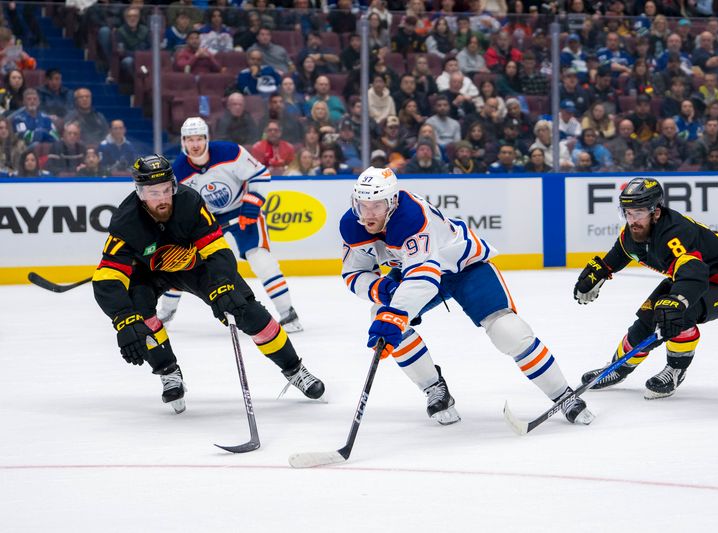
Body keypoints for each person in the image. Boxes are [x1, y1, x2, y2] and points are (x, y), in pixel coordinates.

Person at [340, 167, 594, 425]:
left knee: (509, 331)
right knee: (379, 314)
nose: (368, 214)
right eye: (363, 205)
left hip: (464, 267)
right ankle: (434, 388)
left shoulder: (411, 216)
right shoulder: (352, 225)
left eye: (377, 206)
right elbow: (354, 273)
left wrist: (396, 313)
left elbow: (424, 278)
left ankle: (564, 395)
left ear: (392, 203)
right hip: (417, 272)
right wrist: (383, 290)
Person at [91, 154, 324, 413]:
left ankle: (294, 369)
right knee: (137, 317)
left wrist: (222, 285)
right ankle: (168, 371)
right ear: (140, 192)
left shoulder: (190, 202)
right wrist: (123, 319)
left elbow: (217, 251)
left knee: (246, 311)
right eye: (153, 192)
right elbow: (107, 278)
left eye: (166, 189)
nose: (162, 198)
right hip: (150, 272)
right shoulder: (125, 222)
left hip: (197, 266)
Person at [575, 178, 718, 399]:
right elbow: (621, 253)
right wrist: (599, 271)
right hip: (691, 277)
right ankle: (618, 368)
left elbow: (696, 273)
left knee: (677, 313)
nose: (633, 220)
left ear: (656, 212)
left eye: (639, 212)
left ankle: (676, 370)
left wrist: (678, 301)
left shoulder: (674, 235)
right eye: (628, 213)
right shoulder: (633, 233)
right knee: (647, 319)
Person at [158, 118, 304, 333]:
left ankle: (288, 314)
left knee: (261, 260)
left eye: (199, 138)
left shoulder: (230, 152)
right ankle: (166, 312)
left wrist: (253, 202)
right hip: (207, 220)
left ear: (207, 139)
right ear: (183, 142)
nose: (195, 144)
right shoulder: (178, 172)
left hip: (241, 211)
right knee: (181, 260)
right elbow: (179, 208)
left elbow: (260, 175)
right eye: (190, 140)